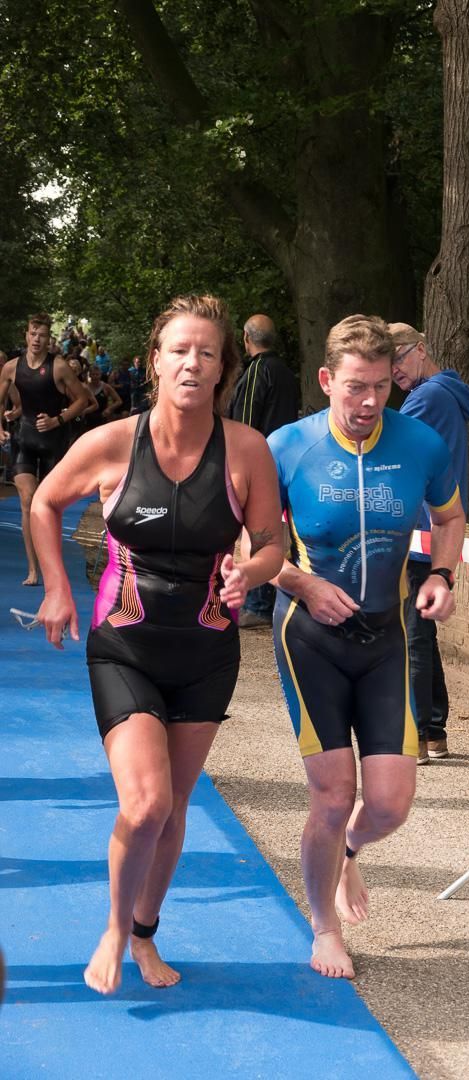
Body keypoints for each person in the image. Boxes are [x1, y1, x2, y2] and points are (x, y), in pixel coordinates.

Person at [30, 294, 284, 996]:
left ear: (223, 368)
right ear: (155, 361)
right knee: (144, 804)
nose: (192, 363)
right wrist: (56, 589)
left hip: (206, 653)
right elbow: (45, 502)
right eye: (179, 350)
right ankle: (114, 927)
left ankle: (145, 932)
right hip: (125, 647)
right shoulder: (113, 443)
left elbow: (271, 544)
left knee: (172, 805)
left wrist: (250, 573)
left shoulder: (247, 450)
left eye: (207, 352)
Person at [267, 314, 466, 979]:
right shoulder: (288, 446)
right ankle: (323, 927)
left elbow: (450, 515)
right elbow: (250, 545)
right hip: (310, 638)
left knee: (387, 803)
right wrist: (300, 582)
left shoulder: (420, 445)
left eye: (381, 387)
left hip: (385, 636)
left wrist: (441, 573)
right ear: (327, 381)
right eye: (355, 387)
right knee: (330, 793)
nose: (369, 402)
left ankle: (350, 851)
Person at [389, 323, 469, 764]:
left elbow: (386, 451)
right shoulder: (450, 394)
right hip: (435, 531)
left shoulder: (425, 399)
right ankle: (435, 730)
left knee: (411, 635)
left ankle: (417, 737)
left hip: (420, 532)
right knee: (422, 632)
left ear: (421, 349)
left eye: (399, 358)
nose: (393, 370)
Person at [0, 313, 91, 585]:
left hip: (54, 441)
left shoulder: (59, 366)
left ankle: (51, 564)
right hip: (24, 440)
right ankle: (32, 569)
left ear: (48, 338)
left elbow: (83, 400)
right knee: (28, 500)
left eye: (41, 335)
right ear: (26, 335)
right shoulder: (11, 368)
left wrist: (58, 420)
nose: (36, 339)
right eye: (32, 333)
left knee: (49, 504)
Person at [228, 313, 299, 628]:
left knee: (256, 531)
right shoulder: (286, 372)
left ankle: (257, 603)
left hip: (260, 463)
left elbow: (244, 423)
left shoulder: (258, 371)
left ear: (246, 338)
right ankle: (268, 598)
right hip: (285, 460)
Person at [84, 363, 123, 428]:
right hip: (87, 418)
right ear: (90, 375)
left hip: (101, 416)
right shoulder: (86, 387)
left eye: (97, 374)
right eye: (93, 374)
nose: (95, 376)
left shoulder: (106, 387)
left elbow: (119, 401)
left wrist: (109, 409)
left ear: (100, 375)